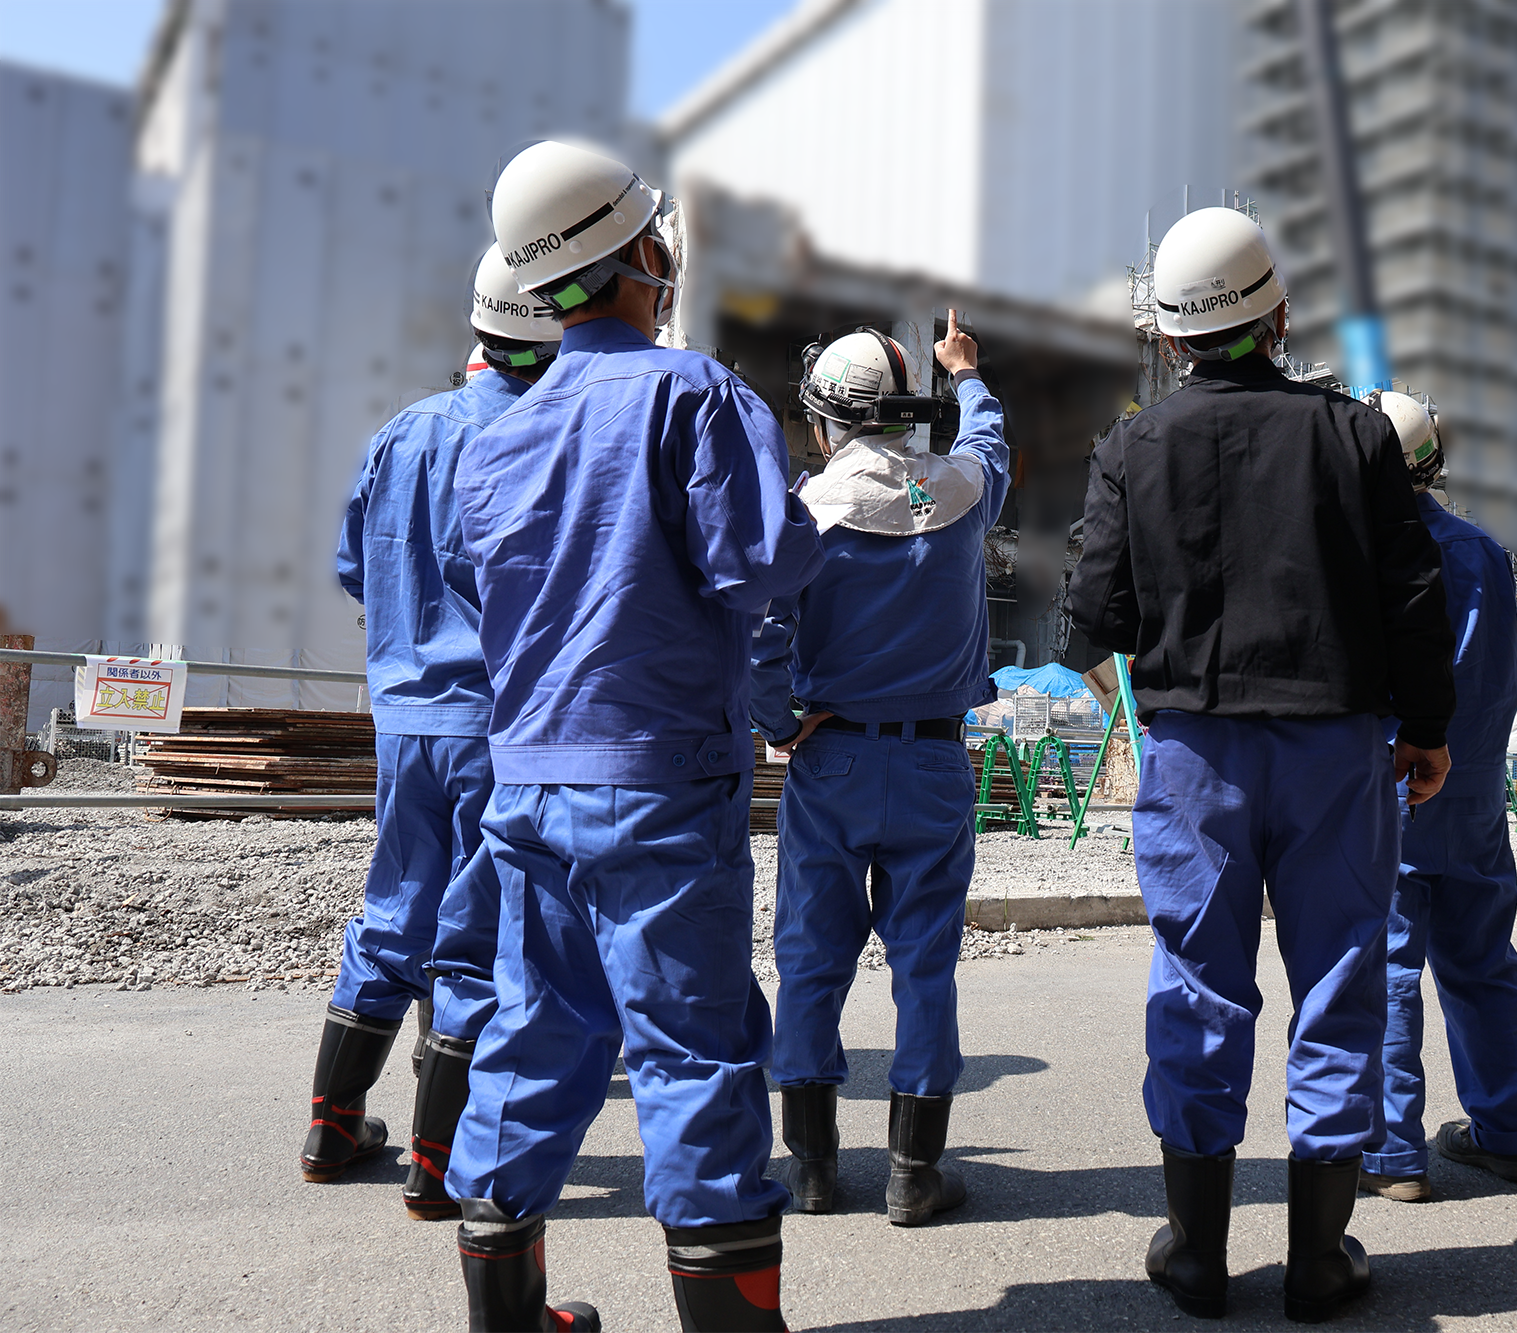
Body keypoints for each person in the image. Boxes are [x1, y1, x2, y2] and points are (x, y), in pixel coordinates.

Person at [444, 140, 822, 1333]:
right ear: (642, 252)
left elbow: (476, 591)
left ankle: (505, 1316)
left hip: (528, 783)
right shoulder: (693, 393)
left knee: (533, 1031)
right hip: (658, 778)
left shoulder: (496, 437)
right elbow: (761, 565)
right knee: (691, 1047)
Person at [1066, 207, 1455, 1323]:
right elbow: (1412, 597)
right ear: (1277, 316)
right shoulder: (1358, 438)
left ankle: (1196, 1252)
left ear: (1169, 336)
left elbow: (1092, 615)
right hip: (1337, 744)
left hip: (1196, 750)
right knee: (1337, 976)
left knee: (1198, 980)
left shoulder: (1132, 445)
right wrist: (1427, 727)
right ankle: (1319, 1258)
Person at [302, 244, 561, 1207]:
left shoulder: (404, 430)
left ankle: (332, 1128)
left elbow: (355, 566)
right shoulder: (543, 438)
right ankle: (434, 1163)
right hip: (497, 726)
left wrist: (411, 632)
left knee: (394, 910)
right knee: (475, 937)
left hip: (405, 718)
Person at [748, 313, 1007, 1225]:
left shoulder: (810, 510)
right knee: (925, 964)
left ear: (826, 420)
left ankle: (813, 1168)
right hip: (934, 759)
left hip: (833, 760)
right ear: (909, 414)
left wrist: (781, 723)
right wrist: (966, 373)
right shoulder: (956, 493)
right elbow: (987, 442)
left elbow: (761, 638)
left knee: (810, 959)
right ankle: (912, 1172)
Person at [1357, 391, 1517, 1202]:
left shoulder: (1363, 550)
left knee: (1388, 965)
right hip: (1474, 793)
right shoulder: (1486, 552)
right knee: (1484, 961)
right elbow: (1497, 681)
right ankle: (1509, 1132)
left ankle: (1394, 1153)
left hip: (1393, 781)